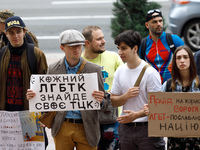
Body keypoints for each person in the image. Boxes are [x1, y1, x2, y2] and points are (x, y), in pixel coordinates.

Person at [27, 29, 109, 150]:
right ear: (62, 48)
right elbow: (48, 96)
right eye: (71, 47)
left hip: (87, 127)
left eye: (79, 46)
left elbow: (106, 103)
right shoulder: (53, 69)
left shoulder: (94, 69)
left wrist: (101, 100)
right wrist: (34, 97)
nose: (76, 49)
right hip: (62, 126)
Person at [110, 30, 165, 150]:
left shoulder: (150, 73)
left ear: (135, 48)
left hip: (148, 129)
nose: (120, 52)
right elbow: (113, 101)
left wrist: (136, 115)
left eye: (124, 48)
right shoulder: (120, 71)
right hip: (125, 129)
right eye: (119, 48)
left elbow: (158, 105)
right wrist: (125, 96)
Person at [0, 16, 48, 147]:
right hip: (7, 114)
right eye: (11, 32)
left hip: (29, 114)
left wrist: (45, 116)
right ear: (6, 34)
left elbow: (45, 86)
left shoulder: (36, 54)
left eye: (18, 32)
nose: (15, 36)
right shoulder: (2, 53)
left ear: (24, 32)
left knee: (32, 146)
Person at [144, 45, 200, 149]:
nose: (182, 60)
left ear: (191, 60)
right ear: (174, 62)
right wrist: (150, 109)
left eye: (185, 57)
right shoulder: (168, 85)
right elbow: (158, 108)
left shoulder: (199, 83)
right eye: (178, 58)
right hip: (175, 142)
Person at [82, 26, 123, 150]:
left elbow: (126, 79)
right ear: (87, 43)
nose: (104, 41)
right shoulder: (79, 63)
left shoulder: (113, 57)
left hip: (113, 118)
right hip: (89, 120)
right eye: (99, 39)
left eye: (103, 38)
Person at [139, 9, 184, 84]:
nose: (159, 24)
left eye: (160, 21)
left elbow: (188, 63)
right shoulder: (142, 45)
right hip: (153, 88)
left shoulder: (174, 40)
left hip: (173, 87)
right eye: (154, 22)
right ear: (147, 25)